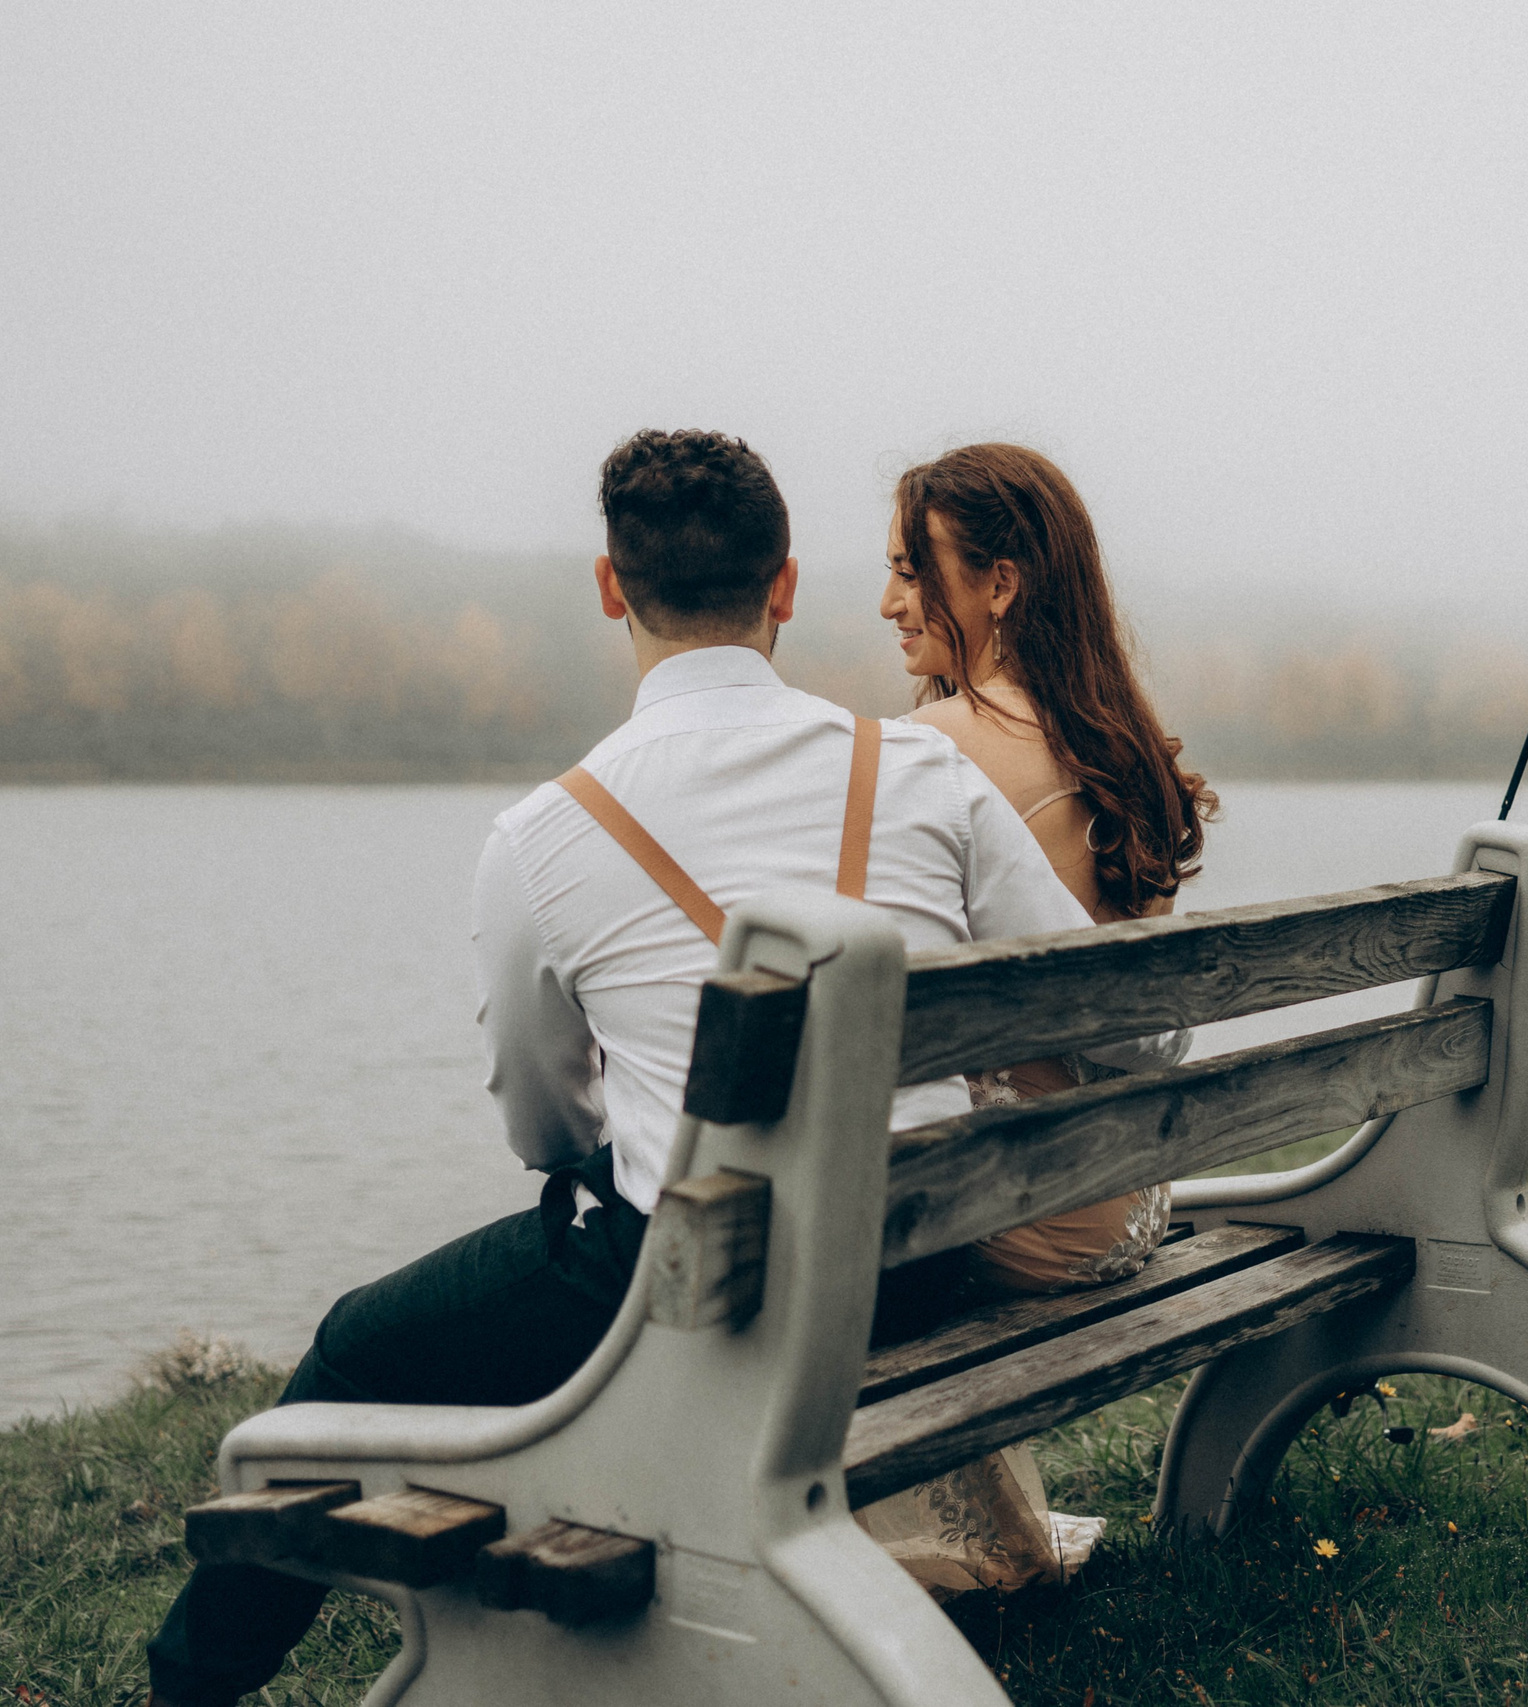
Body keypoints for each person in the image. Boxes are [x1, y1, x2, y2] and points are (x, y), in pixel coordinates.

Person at [144, 429, 1112, 1707]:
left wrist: (619, 1139)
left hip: (711, 1296)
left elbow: (541, 1126)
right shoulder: (922, 768)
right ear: (784, 585)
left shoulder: (545, 835)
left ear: (611, 586)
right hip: (926, 1268)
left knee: (360, 1350)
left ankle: (186, 1687)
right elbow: (1118, 1024)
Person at [854, 443, 1216, 1596]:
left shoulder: (927, 754)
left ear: (998, 585)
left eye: (917, 572)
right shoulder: (1125, 743)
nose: (890, 601)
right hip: (1130, 1198)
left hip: (1027, 1223)